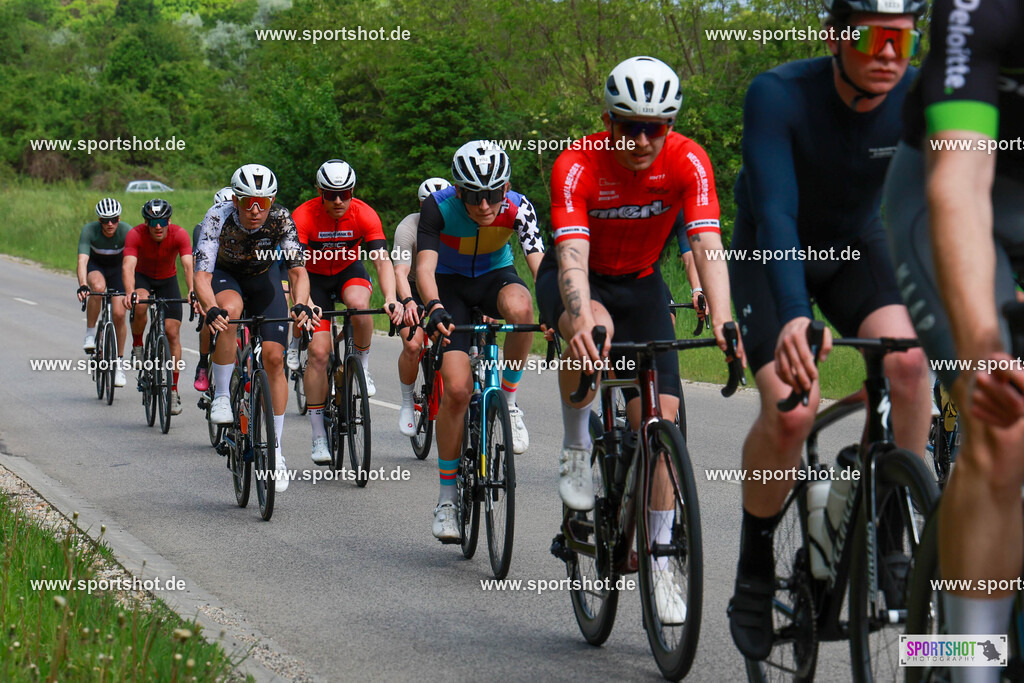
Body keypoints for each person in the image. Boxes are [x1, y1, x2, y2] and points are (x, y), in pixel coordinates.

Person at [725, 0, 929, 660]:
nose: (890, 53)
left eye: (903, 37)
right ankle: (755, 570)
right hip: (769, 251)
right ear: (836, 35)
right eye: (873, 35)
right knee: (791, 410)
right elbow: (777, 215)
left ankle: (893, 524)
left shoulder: (918, 97)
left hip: (855, 246)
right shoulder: (777, 96)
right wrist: (793, 315)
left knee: (909, 363)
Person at [538, 55, 741, 623]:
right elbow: (572, 257)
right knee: (591, 330)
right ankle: (577, 447)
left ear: (670, 125)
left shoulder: (689, 160)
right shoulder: (577, 164)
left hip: (644, 284)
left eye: (656, 127)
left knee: (662, 421)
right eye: (629, 125)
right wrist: (579, 317)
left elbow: (706, 244)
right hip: (578, 278)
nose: (642, 139)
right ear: (609, 121)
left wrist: (724, 320)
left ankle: (659, 559)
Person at [884, 1, 1024, 679]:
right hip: (950, 192)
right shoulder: (982, 6)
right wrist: (987, 350)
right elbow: (959, 188)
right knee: (1003, 423)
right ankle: (972, 663)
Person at [418, 142, 545, 540]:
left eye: (493, 194)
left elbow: (540, 265)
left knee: (523, 311)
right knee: (457, 389)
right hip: (450, 287)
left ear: (505, 187)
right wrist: (434, 305)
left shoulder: (519, 207)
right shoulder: (437, 208)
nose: (485, 205)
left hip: (495, 277)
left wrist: (559, 310)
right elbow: (425, 267)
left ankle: (508, 399)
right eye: (474, 195)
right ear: (459, 190)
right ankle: (446, 501)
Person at [194, 164, 315, 493]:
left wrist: (301, 303)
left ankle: (275, 450)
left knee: (275, 358)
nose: (256, 210)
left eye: (264, 201)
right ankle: (221, 395)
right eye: (248, 202)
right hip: (226, 275)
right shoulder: (217, 217)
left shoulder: (281, 218)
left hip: (263, 279)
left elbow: (297, 270)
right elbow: (201, 276)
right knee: (230, 312)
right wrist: (210, 307)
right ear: (236, 200)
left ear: (272, 200)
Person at [291, 159, 403, 465]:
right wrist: (304, 301)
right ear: (320, 192)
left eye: (345, 193)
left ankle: (362, 366)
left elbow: (381, 260)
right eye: (330, 194)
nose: (338, 200)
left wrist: (391, 297)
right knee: (318, 354)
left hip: (346, 272)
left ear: (353, 191)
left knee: (359, 306)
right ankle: (317, 436)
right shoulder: (303, 215)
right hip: (312, 278)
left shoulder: (364, 213)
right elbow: (296, 267)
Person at [122, 198, 194, 414]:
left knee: (172, 333)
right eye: (153, 222)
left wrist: (192, 290)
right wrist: (129, 292)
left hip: (168, 281)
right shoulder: (135, 235)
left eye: (162, 221)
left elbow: (188, 264)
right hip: (143, 278)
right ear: (146, 222)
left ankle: (173, 390)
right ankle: (137, 346)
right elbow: (128, 265)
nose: (158, 227)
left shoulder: (179, 234)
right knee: (141, 303)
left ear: (169, 220)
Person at [393, 177, 452, 436]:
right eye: (428, 204)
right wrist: (407, 303)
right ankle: (407, 401)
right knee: (414, 343)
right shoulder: (408, 227)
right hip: (413, 286)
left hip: (447, 285)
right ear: (420, 205)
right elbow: (400, 271)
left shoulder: (459, 223)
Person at [77, 198, 131, 387]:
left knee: (118, 313)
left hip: (118, 269)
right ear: (99, 220)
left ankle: (119, 364)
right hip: (96, 266)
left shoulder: (126, 231)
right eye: (105, 220)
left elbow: (133, 262)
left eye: (114, 219)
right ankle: (90, 333)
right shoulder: (89, 230)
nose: (110, 224)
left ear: (119, 218)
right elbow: (83, 261)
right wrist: (84, 285)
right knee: (98, 289)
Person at [193, 187, 234, 392]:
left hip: (235, 277)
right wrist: (196, 294)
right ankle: (202, 362)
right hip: (212, 275)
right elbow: (197, 263)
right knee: (208, 320)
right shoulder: (203, 227)